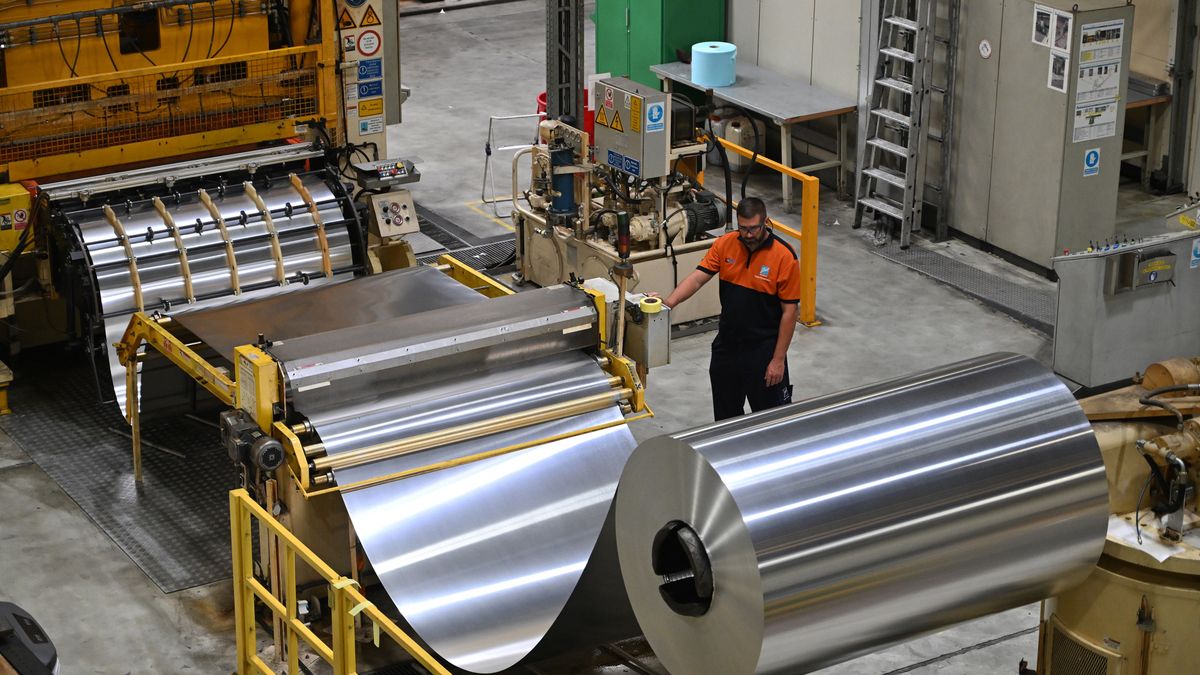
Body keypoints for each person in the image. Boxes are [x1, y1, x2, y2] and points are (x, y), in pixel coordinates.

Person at [660, 197, 801, 421]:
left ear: (766, 222)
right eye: (743, 228)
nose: (748, 234)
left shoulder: (784, 256)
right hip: (728, 347)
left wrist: (778, 360)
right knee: (725, 419)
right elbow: (697, 279)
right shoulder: (725, 244)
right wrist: (668, 303)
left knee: (772, 421)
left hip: (762, 351)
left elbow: (790, 312)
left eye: (754, 228)